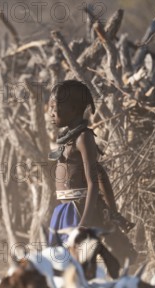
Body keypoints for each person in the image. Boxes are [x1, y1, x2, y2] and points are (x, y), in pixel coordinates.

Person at [47, 80, 137, 266]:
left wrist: (85, 224)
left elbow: (93, 182)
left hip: (80, 211)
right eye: (50, 107)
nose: (51, 112)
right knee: (59, 262)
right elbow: (101, 173)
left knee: (78, 262)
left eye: (55, 107)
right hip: (65, 210)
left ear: (73, 109)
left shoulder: (83, 138)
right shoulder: (68, 139)